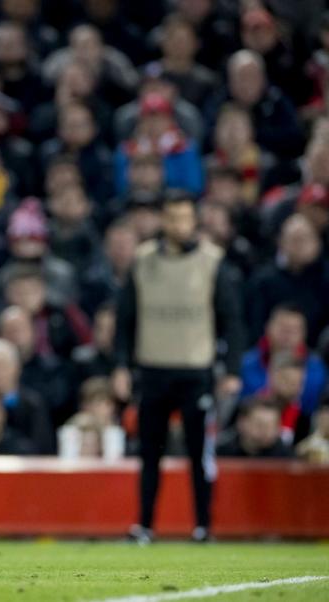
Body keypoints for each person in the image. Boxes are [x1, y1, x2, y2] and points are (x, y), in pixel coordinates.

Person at [113, 190, 245, 544]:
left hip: (195, 371)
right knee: (149, 454)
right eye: (171, 217)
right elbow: (125, 319)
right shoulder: (142, 261)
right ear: (163, 219)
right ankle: (144, 526)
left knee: (199, 454)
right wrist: (121, 366)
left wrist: (231, 369)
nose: (177, 224)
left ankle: (203, 526)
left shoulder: (212, 261)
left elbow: (232, 320)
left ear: (194, 220)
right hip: (153, 369)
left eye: (184, 217)